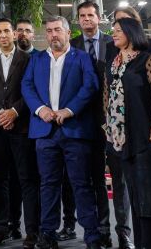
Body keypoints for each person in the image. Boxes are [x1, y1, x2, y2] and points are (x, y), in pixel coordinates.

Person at [22, 15, 104, 249]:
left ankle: (92, 236)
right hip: (45, 132)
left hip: (75, 131)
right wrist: (41, 110)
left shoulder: (82, 58)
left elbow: (90, 86)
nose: (53, 34)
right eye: (49, 31)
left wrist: (69, 110)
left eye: (57, 30)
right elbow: (26, 86)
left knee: (81, 184)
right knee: (48, 185)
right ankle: (48, 234)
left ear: (68, 33)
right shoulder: (36, 59)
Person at [105, 17, 151, 249]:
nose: (114, 34)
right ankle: (143, 243)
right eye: (113, 30)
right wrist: (107, 127)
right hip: (122, 141)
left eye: (118, 30)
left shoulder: (147, 60)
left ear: (131, 33)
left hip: (149, 137)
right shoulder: (113, 64)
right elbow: (106, 98)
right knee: (136, 196)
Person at [70, 1, 129, 248]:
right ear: (78, 20)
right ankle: (102, 230)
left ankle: (124, 232)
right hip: (84, 121)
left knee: (119, 180)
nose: (86, 19)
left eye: (90, 15)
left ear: (99, 17)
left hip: (113, 120)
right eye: (82, 16)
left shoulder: (113, 41)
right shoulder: (71, 45)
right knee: (95, 180)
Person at [0, 18, 39, 249]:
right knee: (0, 180)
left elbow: (32, 89)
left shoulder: (29, 59)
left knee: (27, 180)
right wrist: (0, 114)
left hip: (21, 127)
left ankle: (32, 231)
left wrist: (14, 112)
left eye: (7, 31)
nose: (3, 35)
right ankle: (2, 228)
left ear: (14, 34)